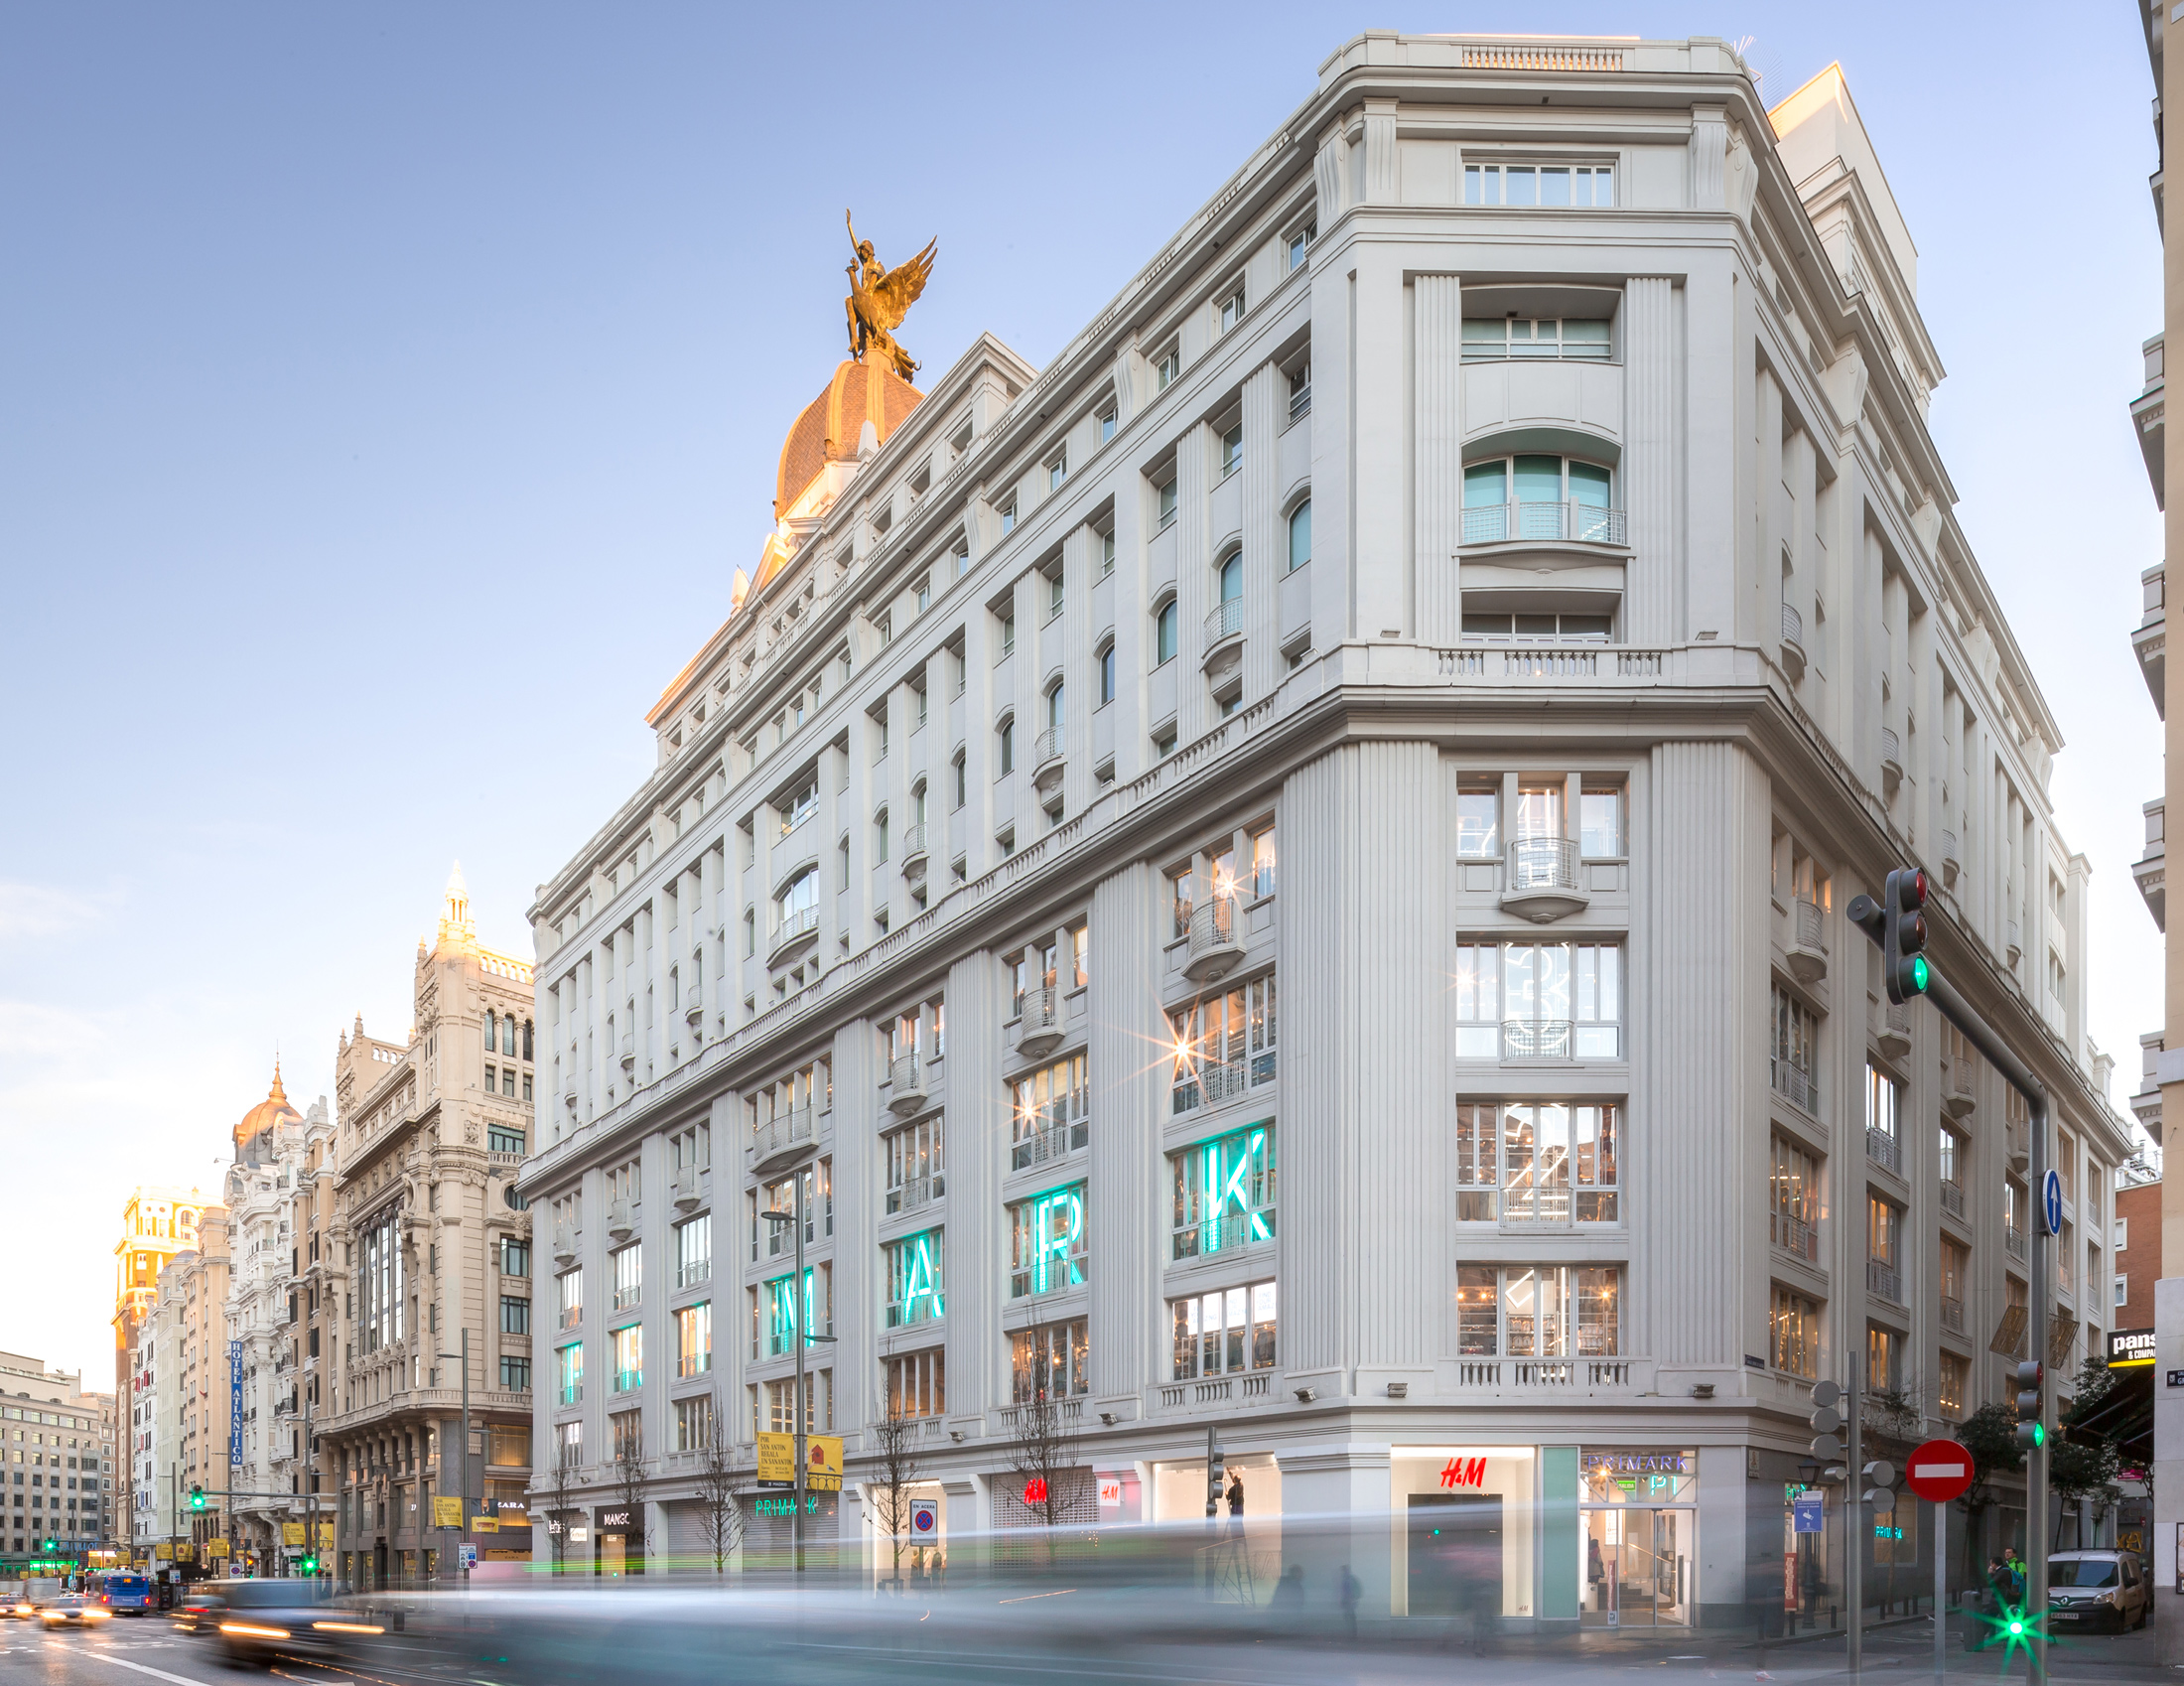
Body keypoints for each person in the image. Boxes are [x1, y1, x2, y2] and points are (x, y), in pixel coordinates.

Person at [1338, 1563, 1361, 1639]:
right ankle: (1352, 1634)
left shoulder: (1347, 1579)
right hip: (1350, 1601)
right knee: (1350, 1617)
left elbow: (1346, 1592)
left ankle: (1352, 1634)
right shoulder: (1349, 1579)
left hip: (1349, 1602)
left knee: (1349, 1617)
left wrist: (1349, 1599)